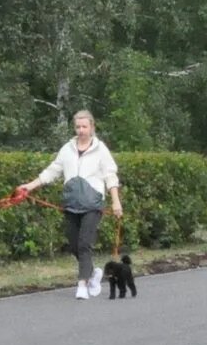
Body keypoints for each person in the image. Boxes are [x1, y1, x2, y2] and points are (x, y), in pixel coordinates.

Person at [12, 109, 124, 300]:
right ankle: (93, 273)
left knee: (84, 244)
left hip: (92, 204)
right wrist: (29, 187)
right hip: (71, 203)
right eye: (78, 126)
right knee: (73, 245)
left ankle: (82, 285)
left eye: (84, 126)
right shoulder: (67, 149)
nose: (81, 130)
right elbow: (52, 171)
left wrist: (116, 201)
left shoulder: (100, 149)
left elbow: (110, 176)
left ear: (92, 127)